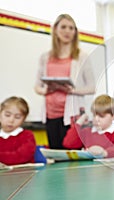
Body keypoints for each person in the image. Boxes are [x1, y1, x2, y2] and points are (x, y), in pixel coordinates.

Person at [34, 14, 95, 149]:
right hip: (50, 115)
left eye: (71, 28)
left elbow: (92, 87)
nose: (67, 31)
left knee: (70, 153)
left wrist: (72, 90)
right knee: (55, 152)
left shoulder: (81, 56)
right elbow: (37, 86)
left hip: (71, 115)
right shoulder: (45, 57)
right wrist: (46, 90)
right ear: (55, 29)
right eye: (63, 27)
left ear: (75, 32)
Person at [63, 94, 114, 158]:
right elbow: (68, 143)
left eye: (101, 116)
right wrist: (78, 123)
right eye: (94, 115)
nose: (96, 119)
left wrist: (104, 152)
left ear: (113, 116)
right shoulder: (87, 132)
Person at [0, 96, 36, 165]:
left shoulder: (27, 135)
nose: (11, 120)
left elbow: (21, 156)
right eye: (7, 115)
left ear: (24, 119)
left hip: (24, 174)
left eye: (17, 117)